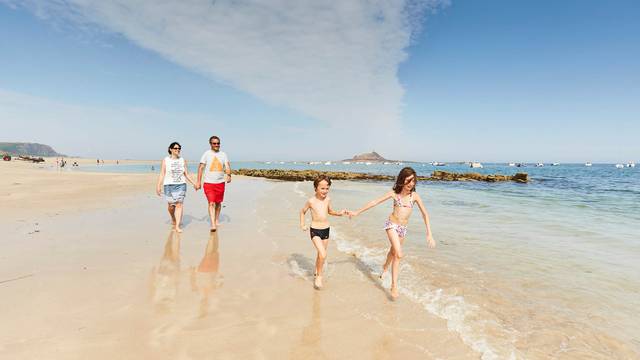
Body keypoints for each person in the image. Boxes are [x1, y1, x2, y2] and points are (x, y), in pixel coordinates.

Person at [348, 167, 435, 299]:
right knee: (399, 254)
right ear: (402, 180)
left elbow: (425, 214)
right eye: (408, 181)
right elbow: (374, 202)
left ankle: (384, 267)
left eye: (413, 181)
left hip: (402, 229)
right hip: (391, 225)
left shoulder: (415, 196)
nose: (411, 184)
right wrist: (357, 212)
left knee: (393, 252)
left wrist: (429, 233)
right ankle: (394, 285)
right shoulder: (394, 194)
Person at [300, 175, 346, 289]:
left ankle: (317, 270)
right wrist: (302, 224)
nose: (325, 191)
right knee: (323, 254)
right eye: (322, 188)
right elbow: (302, 212)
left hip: (326, 229)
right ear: (315, 188)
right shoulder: (311, 201)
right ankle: (319, 276)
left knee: (321, 254)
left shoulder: (328, 199)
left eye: (327, 188)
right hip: (315, 230)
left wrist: (339, 213)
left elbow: (330, 211)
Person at [156, 142, 196, 233]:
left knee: (179, 204)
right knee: (171, 206)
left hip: (181, 185)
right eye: (175, 148)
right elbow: (162, 173)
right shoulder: (166, 160)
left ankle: (177, 226)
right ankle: (173, 218)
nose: (177, 150)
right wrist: (158, 186)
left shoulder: (182, 160)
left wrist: (194, 183)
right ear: (170, 149)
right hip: (168, 185)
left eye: (179, 148)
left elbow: (186, 174)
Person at [196, 136, 231, 232]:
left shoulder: (223, 154)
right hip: (208, 183)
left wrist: (229, 175)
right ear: (210, 144)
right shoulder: (206, 154)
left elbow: (227, 165)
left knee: (218, 203)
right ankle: (213, 224)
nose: (216, 145)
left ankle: (216, 219)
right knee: (211, 203)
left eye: (218, 143)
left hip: (220, 183)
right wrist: (198, 181)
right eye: (214, 143)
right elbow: (201, 168)